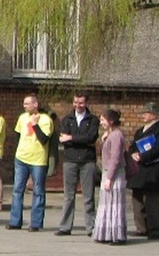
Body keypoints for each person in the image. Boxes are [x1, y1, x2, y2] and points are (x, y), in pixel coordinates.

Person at [6, 93, 53, 232]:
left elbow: (44, 139)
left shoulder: (45, 120)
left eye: (27, 103)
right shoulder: (22, 118)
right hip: (21, 158)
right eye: (24, 103)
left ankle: (36, 223)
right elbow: (18, 136)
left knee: (38, 191)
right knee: (17, 190)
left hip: (38, 160)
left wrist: (35, 124)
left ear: (35, 104)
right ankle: (15, 221)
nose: (24, 106)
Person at [55, 92, 99, 237]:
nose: (78, 105)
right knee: (68, 195)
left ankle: (91, 227)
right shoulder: (67, 119)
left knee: (88, 196)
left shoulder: (92, 119)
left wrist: (72, 137)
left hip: (87, 160)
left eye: (81, 103)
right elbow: (63, 138)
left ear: (86, 103)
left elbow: (91, 138)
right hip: (70, 160)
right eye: (75, 102)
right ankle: (65, 226)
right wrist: (77, 139)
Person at [127, 102, 159, 240]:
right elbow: (133, 146)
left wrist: (143, 156)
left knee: (151, 200)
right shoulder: (140, 131)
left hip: (152, 168)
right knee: (137, 199)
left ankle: (155, 229)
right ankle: (141, 228)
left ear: (154, 114)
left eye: (146, 113)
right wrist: (133, 153)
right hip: (138, 168)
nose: (143, 115)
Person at [92, 109, 127, 245]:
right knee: (107, 205)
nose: (101, 123)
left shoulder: (117, 135)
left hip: (114, 174)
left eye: (103, 120)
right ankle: (106, 234)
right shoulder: (111, 135)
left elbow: (115, 158)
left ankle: (117, 236)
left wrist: (109, 178)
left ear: (111, 121)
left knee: (114, 205)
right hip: (109, 172)